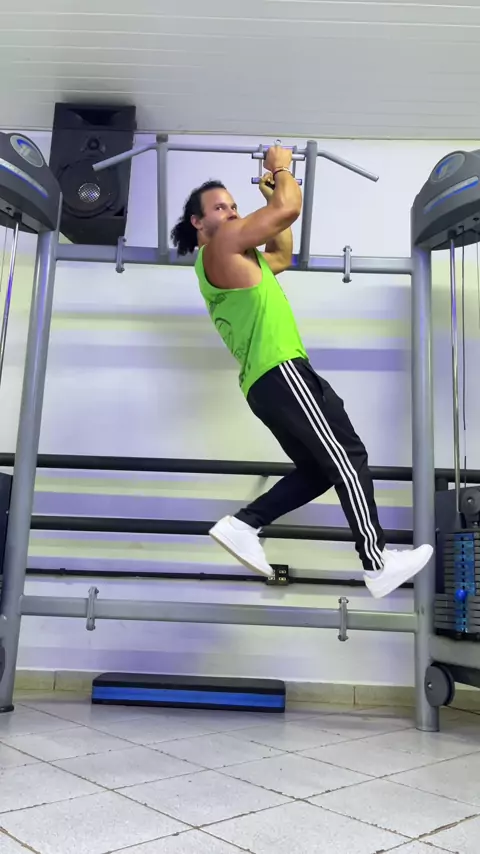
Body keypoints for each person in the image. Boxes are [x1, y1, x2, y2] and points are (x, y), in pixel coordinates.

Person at [171, 145, 433, 599]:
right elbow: (288, 209)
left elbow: (282, 253)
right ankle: (376, 563)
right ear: (198, 222)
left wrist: (272, 193)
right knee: (347, 456)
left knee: (318, 470)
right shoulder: (222, 246)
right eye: (220, 207)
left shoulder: (237, 259)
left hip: (269, 381)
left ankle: (243, 525)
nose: (231, 212)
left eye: (233, 205)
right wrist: (281, 169)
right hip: (280, 370)